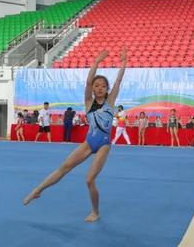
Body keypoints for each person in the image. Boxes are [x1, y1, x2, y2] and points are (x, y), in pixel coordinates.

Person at [23, 49, 127, 222]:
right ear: (93, 89)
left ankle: (95, 212)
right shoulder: (88, 102)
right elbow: (88, 82)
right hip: (89, 142)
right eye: (97, 85)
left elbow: (119, 81)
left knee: (89, 180)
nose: (100, 88)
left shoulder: (110, 101)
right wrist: (96, 62)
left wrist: (123, 63)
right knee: (64, 167)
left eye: (103, 86)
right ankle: (38, 190)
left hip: (104, 145)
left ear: (107, 89)